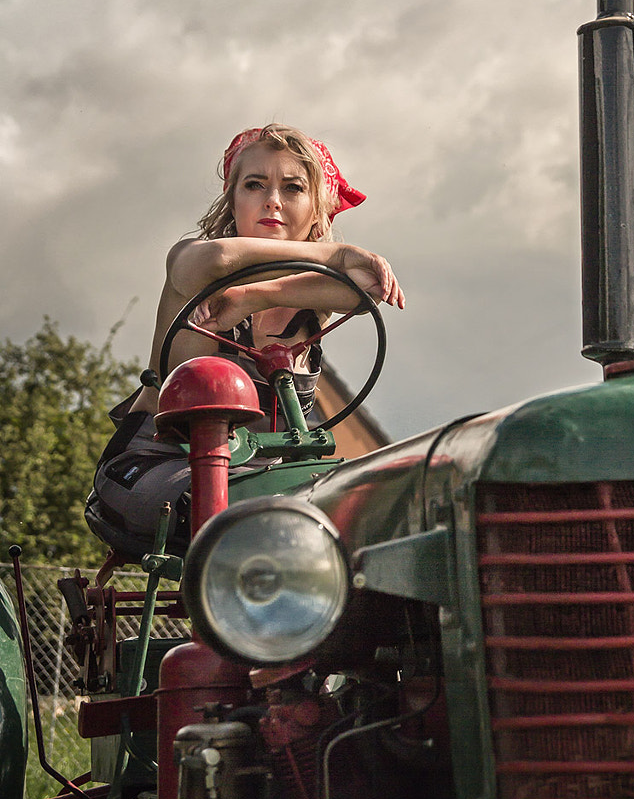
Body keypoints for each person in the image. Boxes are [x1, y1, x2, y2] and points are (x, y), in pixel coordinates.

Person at [85, 123, 405, 562]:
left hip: (263, 482)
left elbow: (366, 287)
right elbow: (219, 262)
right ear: (233, 199)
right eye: (255, 184)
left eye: (292, 188)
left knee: (385, 511)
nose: (272, 199)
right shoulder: (189, 262)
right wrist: (333, 253)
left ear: (317, 210)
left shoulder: (313, 302)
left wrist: (254, 296)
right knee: (237, 514)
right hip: (157, 467)